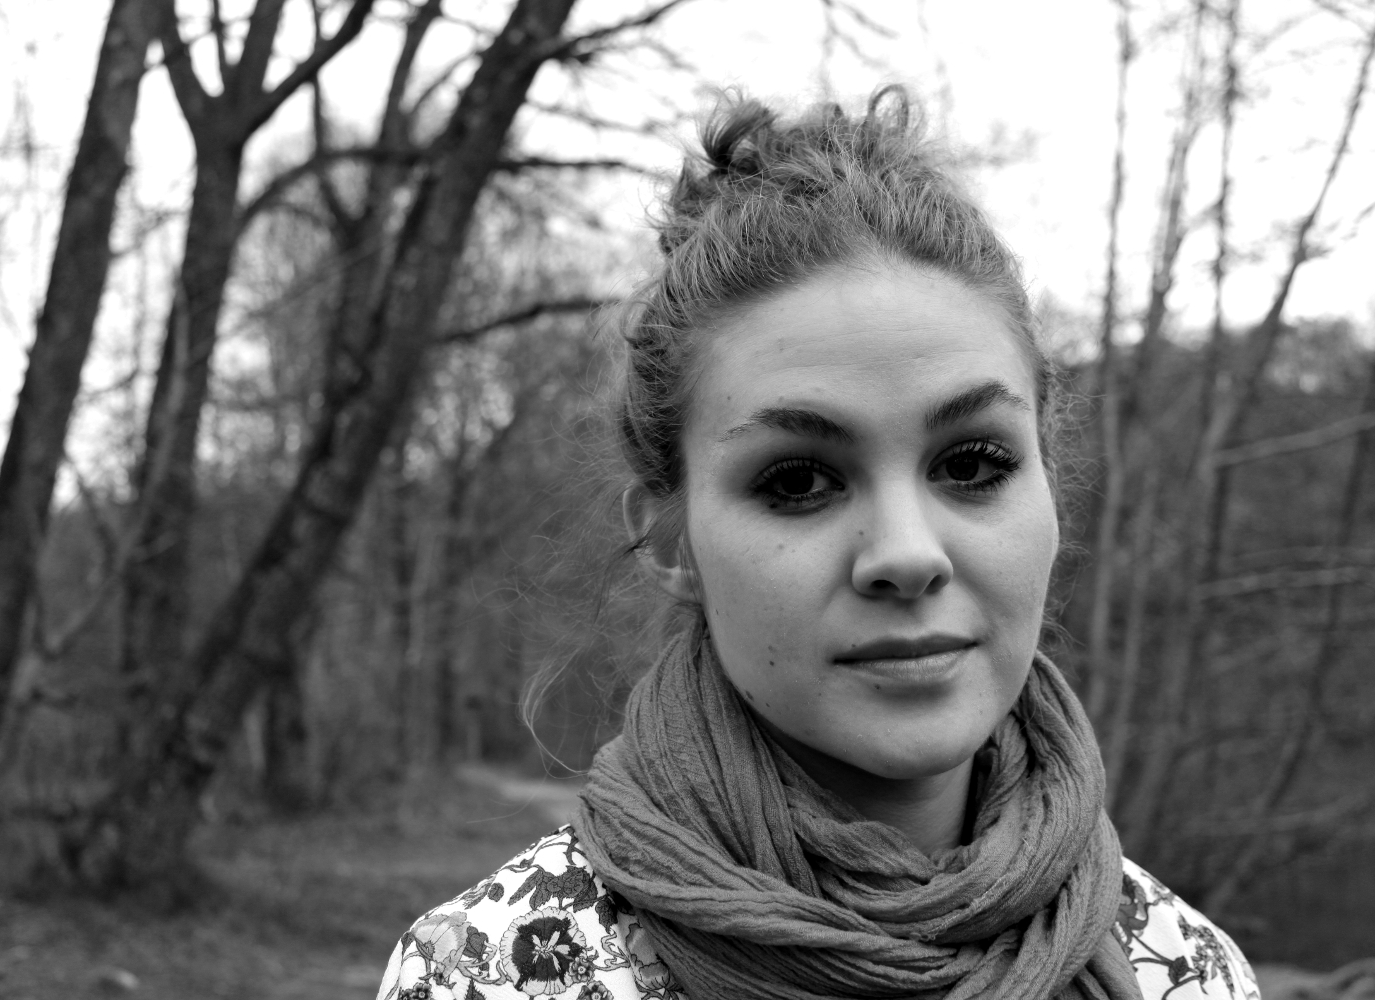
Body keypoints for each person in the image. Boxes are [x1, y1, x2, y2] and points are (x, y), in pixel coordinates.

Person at [377, 88, 1260, 1000]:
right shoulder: (492, 973)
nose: (907, 555)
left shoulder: (1186, 970)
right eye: (797, 481)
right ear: (671, 544)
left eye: (972, 464)